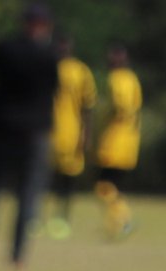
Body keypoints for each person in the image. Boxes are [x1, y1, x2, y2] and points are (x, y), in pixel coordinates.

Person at [0, 3, 58, 269]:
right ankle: (18, 257)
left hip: (1, 127)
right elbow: (52, 90)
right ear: (45, 26)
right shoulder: (49, 55)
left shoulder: (5, 49)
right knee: (28, 195)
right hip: (34, 132)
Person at [45, 35, 98, 238]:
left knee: (67, 179)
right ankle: (38, 217)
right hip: (47, 131)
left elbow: (88, 106)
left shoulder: (81, 71)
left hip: (71, 133)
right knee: (44, 176)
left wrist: (87, 134)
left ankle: (62, 218)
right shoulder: (47, 67)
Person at [93, 42, 142, 240]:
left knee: (103, 186)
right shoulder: (132, 78)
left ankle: (124, 220)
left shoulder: (115, 79)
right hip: (131, 140)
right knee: (113, 185)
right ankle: (118, 223)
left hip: (115, 140)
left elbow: (121, 107)